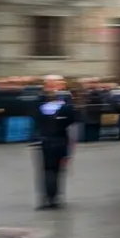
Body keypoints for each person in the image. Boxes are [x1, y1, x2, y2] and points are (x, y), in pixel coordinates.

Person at [34, 75, 76, 209]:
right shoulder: (65, 100)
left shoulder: (40, 99)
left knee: (53, 170)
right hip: (55, 138)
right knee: (52, 170)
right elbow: (72, 117)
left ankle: (51, 197)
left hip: (52, 138)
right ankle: (51, 197)